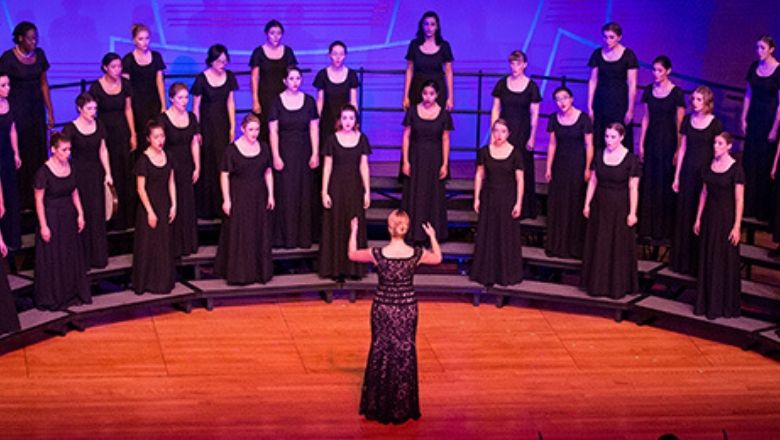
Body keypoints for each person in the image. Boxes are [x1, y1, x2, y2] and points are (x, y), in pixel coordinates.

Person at [348, 210, 442, 424]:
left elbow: (352, 254)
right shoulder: (416, 254)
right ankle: (402, 405)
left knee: (381, 350)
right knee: (404, 352)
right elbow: (438, 258)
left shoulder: (377, 253)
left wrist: (353, 231)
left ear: (389, 228)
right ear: (406, 228)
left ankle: (379, 404)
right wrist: (433, 237)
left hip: (383, 308)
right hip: (407, 308)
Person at [582, 123, 641, 299]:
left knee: (616, 245)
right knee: (599, 243)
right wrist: (587, 204)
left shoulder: (631, 159)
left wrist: (632, 212)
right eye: (607, 136)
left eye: (613, 137)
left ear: (622, 137)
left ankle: (616, 287)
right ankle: (597, 285)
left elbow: (633, 188)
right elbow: (593, 181)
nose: (609, 140)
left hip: (620, 206)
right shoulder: (599, 155)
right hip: (600, 205)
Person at [214, 114, 275, 285]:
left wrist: (271, 194)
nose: (254, 133)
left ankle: (258, 272)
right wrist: (226, 200)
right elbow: (224, 174)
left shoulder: (263, 147)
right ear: (242, 129)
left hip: (258, 195)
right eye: (251, 130)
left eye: (257, 129)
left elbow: (268, 171)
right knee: (240, 233)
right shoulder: (232, 149)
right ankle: (240, 273)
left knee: (258, 232)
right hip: (239, 195)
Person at [33, 133, 91, 310]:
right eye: (64, 150)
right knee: (54, 258)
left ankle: (71, 292)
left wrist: (80, 214)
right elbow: (39, 201)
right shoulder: (43, 172)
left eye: (69, 149)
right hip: (52, 217)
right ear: (53, 150)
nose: (68, 153)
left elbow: (74, 192)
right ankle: (54, 297)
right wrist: (43, 225)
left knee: (69, 256)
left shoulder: (71, 166)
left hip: (68, 216)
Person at [0, 22, 53, 209]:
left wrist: (50, 111)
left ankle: (37, 196)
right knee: (21, 152)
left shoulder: (40, 55)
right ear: (20, 38)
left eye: (36, 37)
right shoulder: (8, 58)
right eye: (30, 38)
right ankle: (21, 200)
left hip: (37, 112)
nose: (34, 41)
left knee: (38, 152)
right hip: (18, 112)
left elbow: (44, 84)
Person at [671, 86, 722, 274]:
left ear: (707, 101)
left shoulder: (715, 123)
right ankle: (681, 262)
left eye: (699, 99)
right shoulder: (687, 120)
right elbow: (682, 149)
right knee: (684, 214)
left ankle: (697, 264)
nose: (694, 102)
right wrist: (677, 175)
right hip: (687, 173)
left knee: (698, 215)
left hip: (705, 174)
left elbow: (718, 151)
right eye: (693, 99)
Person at [693, 132, 744, 319]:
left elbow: (739, 200)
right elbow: (704, 193)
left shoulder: (736, 169)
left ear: (729, 146)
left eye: (720, 143)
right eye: (715, 142)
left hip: (726, 218)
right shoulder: (709, 166)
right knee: (708, 257)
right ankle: (706, 303)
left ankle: (722, 305)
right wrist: (698, 218)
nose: (715, 146)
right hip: (710, 218)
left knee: (723, 260)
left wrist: (737, 226)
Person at [268, 66, 319, 249]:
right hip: (285, 153)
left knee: (303, 194)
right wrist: (276, 155)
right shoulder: (276, 102)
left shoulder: (309, 101)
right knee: (286, 194)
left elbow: (314, 128)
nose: (295, 82)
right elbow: (273, 131)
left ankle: (302, 238)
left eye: (298, 78)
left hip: (304, 152)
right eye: (291, 78)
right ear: (284, 81)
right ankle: (285, 238)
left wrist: (314, 152)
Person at [469, 119, 524, 286]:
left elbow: (520, 180)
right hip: (489, 198)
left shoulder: (515, 153)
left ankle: (505, 274)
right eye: (496, 131)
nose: (499, 135)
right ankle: (487, 273)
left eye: (503, 131)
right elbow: (479, 175)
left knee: (505, 235)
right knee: (488, 234)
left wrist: (518, 203)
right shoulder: (484, 151)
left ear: (509, 134)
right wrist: (476, 197)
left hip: (507, 199)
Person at [319, 104, 371, 280]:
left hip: (355, 188)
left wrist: (367, 191)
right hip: (336, 188)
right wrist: (324, 191)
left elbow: (364, 166)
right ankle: (336, 269)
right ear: (339, 120)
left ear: (355, 120)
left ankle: (353, 269)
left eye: (351, 118)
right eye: (345, 118)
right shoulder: (332, 140)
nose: (348, 122)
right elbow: (327, 167)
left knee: (353, 225)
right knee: (336, 225)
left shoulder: (362, 139)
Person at [637, 55, 686, 243]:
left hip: (668, 142)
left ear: (668, 71)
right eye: (654, 70)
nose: (656, 74)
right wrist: (641, 143)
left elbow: (680, 124)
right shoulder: (649, 90)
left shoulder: (676, 93)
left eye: (659, 70)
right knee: (649, 181)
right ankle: (646, 227)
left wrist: (678, 149)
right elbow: (646, 118)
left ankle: (663, 228)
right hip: (652, 140)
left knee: (664, 183)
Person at [62, 93, 113, 269]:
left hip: (96, 173)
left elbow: (103, 150)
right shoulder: (70, 128)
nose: (93, 112)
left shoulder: (99, 124)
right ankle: (82, 259)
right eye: (89, 109)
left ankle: (98, 257)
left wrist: (108, 173)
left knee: (97, 213)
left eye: (95, 108)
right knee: (82, 213)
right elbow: (64, 154)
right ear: (79, 109)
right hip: (79, 175)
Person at [491, 50, 541, 219]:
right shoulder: (502, 84)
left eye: (518, 63)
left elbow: (535, 114)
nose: (514, 67)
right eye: (512, 63)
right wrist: (494, 133)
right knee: (503, 166)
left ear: (524, 65)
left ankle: (524, 207)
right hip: (504, 131)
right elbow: (495, 109)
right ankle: (504, 204)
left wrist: (532, 136)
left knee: (522, 167)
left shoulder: (532, 86)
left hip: (523, 130)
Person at [545, 86, 594, 259]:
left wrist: (588, 167)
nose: (562, 102)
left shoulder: (583, 119)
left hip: (577, 165)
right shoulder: (554, 118)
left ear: (571, 98)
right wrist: (548, 167)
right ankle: (556, 244)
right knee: (559, 203)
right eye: (558, 99)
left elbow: (589, 145)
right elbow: (552, 145)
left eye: (564, 98)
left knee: (574, 202)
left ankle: (574, 247)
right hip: (560, 166)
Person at [401, 80, 453, 243]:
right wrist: (406, 161)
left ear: (437, 95)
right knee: (415, 194)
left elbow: (445, 139)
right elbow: (406, 137)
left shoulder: (444, 114)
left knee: (433, 195)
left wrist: (445, 164)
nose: (428, 97)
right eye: (425, 93)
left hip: (435, 159)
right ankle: (413, 233)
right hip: (416, 157)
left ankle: (432, 235)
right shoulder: (412, 111)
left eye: (431, 94)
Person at [89, 52, 137, 230]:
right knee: (110, 172)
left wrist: (133, 134)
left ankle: (126, 217)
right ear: (105, 68)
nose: (117, 70)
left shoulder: (125, 84)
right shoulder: (96, 87)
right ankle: (110, 216)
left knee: (125, 171)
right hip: (105, 132)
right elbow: (92, 112)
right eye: (114, 67)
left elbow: (128, 109)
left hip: (122, 132)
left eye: (119, 66)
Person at [192, 44, 238, 219]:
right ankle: (205, 208)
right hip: (206, 125)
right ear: (211, 60)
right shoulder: (201, 79)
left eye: (225, 61)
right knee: (207, 163)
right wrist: (197, 129)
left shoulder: (230, 77)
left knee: (222, 162)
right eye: (219, 61)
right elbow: (196, 107)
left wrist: (233, 126)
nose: (222, 64)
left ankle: (222, 204)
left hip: (222, 124)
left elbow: (230, 103)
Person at [132, 121, 176, 295]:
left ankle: (163, 282)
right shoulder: (143, 160)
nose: (160, 140)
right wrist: (150, 211)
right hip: (148, 206)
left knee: (163, 244)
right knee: (148, 244)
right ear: (148, 139)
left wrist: (174, 204)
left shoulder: (168, 156)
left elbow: (171, 181)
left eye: (162, 136)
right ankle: (146, 282)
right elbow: (140, 188)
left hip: (164, 203)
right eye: (156, 137)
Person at [740, 35, 780, 222]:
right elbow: (748, 93)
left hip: (769, 118)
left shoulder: (778, 71)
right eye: (757, 47)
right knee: (750, 160)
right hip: (754, 117)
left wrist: (775, 127)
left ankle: (762, 210)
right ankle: (747, 206)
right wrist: (743, 117)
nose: (759, 51)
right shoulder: (753, 67)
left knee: (764, 162)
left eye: (763, 48)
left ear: (771, 49)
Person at [158, 83, 200, 258]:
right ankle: (172, 245)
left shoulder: (191, 117)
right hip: (170, 165)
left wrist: (197, 166)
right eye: (180, 98)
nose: (184, 101)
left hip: (187, 165)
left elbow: (194, 142)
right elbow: (159, 145)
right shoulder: (163, 119)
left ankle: (187, 243)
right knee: (172, 203)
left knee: (187, 203)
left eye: (186, 97)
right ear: (171, 99)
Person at [587, 22, 638, 151]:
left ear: (619, 37)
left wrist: (630, 109)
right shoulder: (597, 54)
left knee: (620, 133)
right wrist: (589, 106)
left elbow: (632, 84)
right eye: (605, 37)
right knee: (600, 134)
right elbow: (593, 81)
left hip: (619, 102)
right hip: (601, 102)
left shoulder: (628, 55)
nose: (607, 40)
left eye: (611, 37)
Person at [250, 19, 297, 142]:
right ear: (266, 34)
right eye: (272, 33)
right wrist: (255, 100)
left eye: (279, 33)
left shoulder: (288, 52)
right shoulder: (258, 52)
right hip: (264, 97)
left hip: (283, 97)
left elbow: (292, 75)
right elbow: (254, 78)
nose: (276, 36)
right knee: (265, 130)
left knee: (283, 129)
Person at [123, 24, 166, 145]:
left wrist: (163, 105)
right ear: (134, 40)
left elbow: (160, 83)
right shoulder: (128, 60)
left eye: (147, 38)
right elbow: (126, 88)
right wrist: (128, 108)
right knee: (141, 137)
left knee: (156, 135)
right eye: (140, 39)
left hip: (153, 103)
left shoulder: (156, 57)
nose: (144, 42)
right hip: (136, 105)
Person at [403, 11, 454, 111]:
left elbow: (449, 72)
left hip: (438, 91)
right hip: (417, 90)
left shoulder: (444, 46)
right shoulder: (414, 45)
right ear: (421, 26)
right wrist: (405, 96)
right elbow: (409, 70)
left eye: (432, 24)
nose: (429, 28)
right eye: (426, 24)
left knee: (438, 123)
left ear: (437, 27)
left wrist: (450, 97)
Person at [314, 41, 359, 142]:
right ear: (329, 55)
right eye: (335, 54)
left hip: (345, 122)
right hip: (326, 122)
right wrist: (316, 122)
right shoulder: (322, 75)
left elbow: (353, 101)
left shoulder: (351, 75)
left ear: (345, 55)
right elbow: (319, 101)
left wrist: (354, 122)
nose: (338, 57)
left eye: (341, 54)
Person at [0, 72, 21, 251]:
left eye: (8, 84)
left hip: (7, 153)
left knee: (11, 194)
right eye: (3, 85)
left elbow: (12, 130)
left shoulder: (9, 103)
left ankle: (12, 238)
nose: (7, 88)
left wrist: (16, 153)